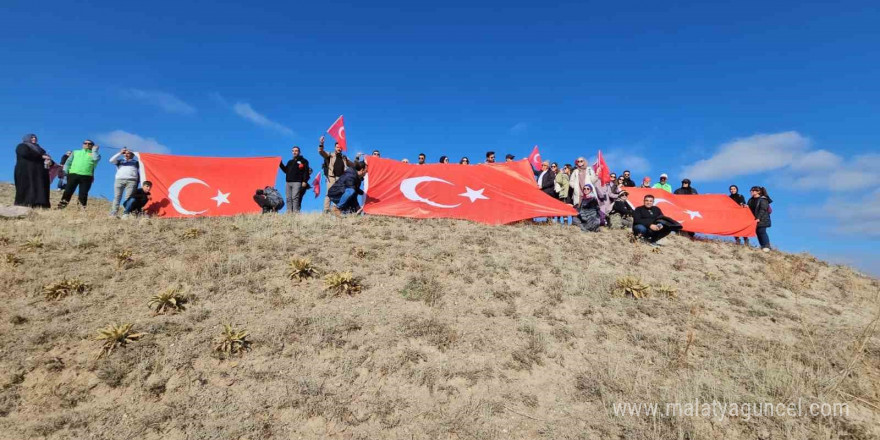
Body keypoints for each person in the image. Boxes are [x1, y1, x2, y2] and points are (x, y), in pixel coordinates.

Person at [58, 140, 101, 209]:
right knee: (68, 191)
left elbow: (96, 159)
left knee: (83, 193)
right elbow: (68, 162)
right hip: (73, 174)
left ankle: (81, 209)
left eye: (89, 144)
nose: (87, 144)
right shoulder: (75, 152)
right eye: (85, 143)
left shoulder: (95, 155)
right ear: (83, 144)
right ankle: (61, 207)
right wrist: (65, 171)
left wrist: (95, 150)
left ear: (92, 146)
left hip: (87, 176)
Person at [14, 133, 54, 208]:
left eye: (35, 137)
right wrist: (41, 156)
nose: (34, 139)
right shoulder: (22, 146)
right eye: (32, 137)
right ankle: (25, 204)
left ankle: (40, 204)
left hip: (39, 173)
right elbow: (25, 153)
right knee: (27, 187)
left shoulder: (40, 149)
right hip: (26, 171)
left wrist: (50, 161)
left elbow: (45, 157)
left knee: (40, 188)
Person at [318, 136, 353, 212]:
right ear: (335, 148)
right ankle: (326, 210)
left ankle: (336, 210)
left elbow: (352, 165)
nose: (339, 148)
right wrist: (321, 143)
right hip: (331, 178)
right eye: (337, 147)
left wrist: (357, 159)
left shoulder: (344, 158)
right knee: (328, 194)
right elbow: (321, 152)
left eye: (340, 147)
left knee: (339, 195)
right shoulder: (330, 155)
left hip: (341, 179)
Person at [108, 148, 140, 216]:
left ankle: (126, 213)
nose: (126, 154)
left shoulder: (137, 162)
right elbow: (111, 160)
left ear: (132, 155)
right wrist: (120, 153)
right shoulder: (120, 161)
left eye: (128, 153)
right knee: (117, 196)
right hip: (119, 180)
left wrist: (136, 153)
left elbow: (143, 162)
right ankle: (114, 211)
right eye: (125, 153)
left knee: (128, 198)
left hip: (132, 181)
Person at [279, 146, 311, 213]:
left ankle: (295, 212)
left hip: (297, 182)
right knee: (288, 198)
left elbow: (306, 171)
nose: (294, 152)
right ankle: (289, 212)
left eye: (296, 151)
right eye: (293, 151)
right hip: (288, 182)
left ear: (299, 152)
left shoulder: (304, 161)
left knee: (295, 198)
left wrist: (305, 181)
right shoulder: (290, 162)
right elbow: (286, 171)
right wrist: (280, 164)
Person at [748, 186, 772, 252]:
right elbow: (749, 209)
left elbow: (763, 209)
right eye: (751, 191)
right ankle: (762, 246)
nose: (751, 192)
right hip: (754, 219)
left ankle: (767, 246)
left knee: (762, 231)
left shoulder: (763, 199)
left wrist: (758, 218)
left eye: (753, 191)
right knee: (758, 232)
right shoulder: (751, 200)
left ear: (758, 192)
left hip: (762, 219)